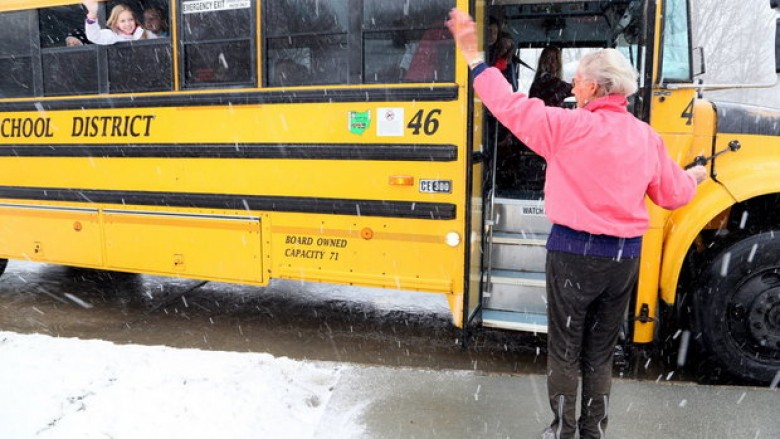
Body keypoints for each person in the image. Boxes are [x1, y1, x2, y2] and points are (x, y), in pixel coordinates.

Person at [446, 9, 707, 439]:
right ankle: (593, 430)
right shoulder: (646, 137)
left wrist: (475, 58)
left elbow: (507, 105)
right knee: (600, 353)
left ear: (597, 87)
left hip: (572, 255)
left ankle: (564, 431)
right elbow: (673, 193)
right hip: (623, 259)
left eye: (579, 78)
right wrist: (694, 177)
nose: (573, 84)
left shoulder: (567, 127)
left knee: (565, 351)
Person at [82, 0, 158, 45]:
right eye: (122, 21)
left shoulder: (144, 33)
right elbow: (95, 37)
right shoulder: (113, 36)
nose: (128, 24)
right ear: (115, 23)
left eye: (130, 19)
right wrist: (92, 18)